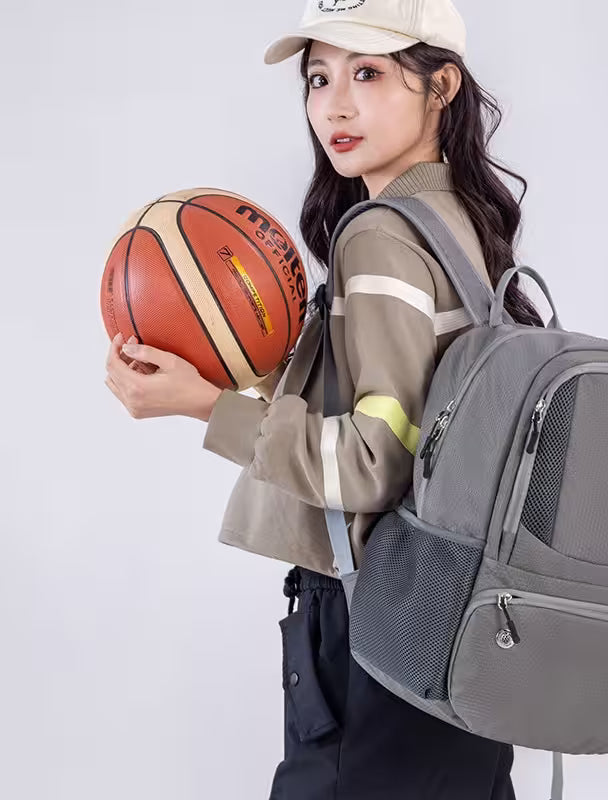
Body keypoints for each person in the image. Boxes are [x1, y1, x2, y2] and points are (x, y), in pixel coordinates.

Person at [104, 1, 547, 797]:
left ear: (440, 84)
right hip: (464, 626)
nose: (333, 105)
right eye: (318, 77)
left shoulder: (379, 235)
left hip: (376, 627)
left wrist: (206, 406)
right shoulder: (461, 225)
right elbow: (417, 429)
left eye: (368, 73)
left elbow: (374, 464)